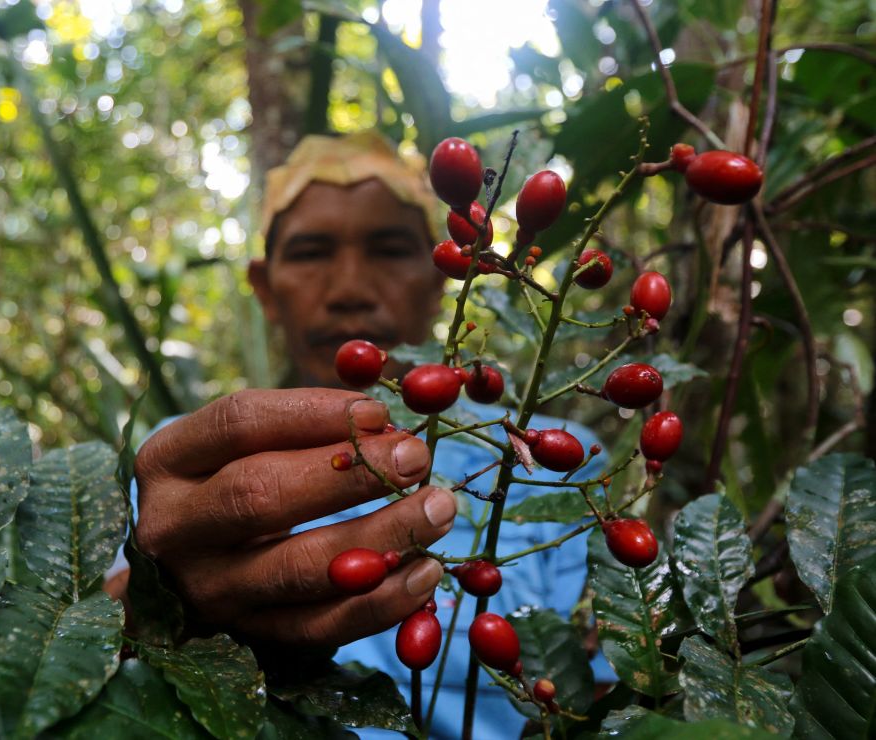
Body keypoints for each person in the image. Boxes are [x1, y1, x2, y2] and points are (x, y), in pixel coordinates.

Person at [108, 132, 613, 738]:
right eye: (312, 252)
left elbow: (604, 691)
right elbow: (100, 657)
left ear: (440, 275)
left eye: (389, 248)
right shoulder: (182, 461)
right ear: (266, 288)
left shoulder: (553, 459)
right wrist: (159, 604)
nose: (349, 286)